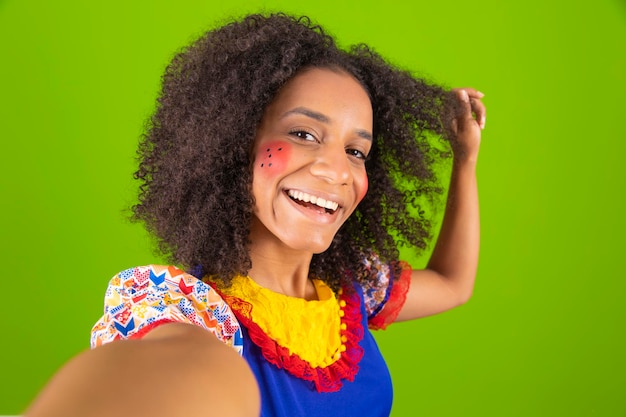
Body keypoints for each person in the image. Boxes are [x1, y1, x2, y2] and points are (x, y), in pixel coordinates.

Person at [25, 13, 485, 417]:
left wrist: (464, 159)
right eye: (304, 133)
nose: (337, 169)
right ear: (234, 144)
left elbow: (452, 283)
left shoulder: (354, 288)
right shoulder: (193, 319)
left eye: (355, 150)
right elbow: (165, 383)